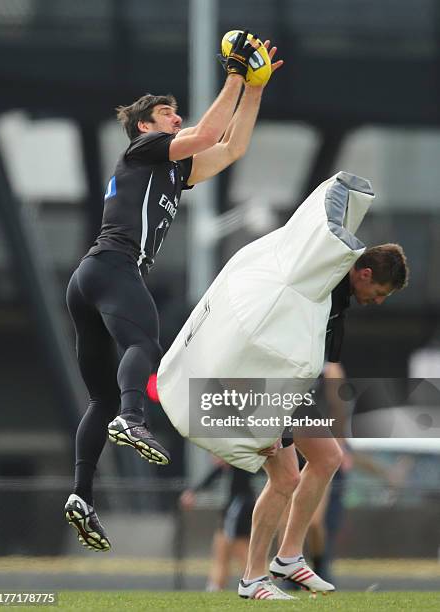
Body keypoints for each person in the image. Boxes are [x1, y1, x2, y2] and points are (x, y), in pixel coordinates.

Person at [64, 32, 284, 552]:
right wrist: (233, 73)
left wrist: (255, 86)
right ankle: (134, 418)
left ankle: (80, 493)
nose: (176, 119)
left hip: (90, 277)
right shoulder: (143, 149)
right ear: (144, 125)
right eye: (168, 113)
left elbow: (230, 148)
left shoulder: (168, 168)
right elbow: (210, 132)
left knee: (98, 397)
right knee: (146, 348)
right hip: (115, 267)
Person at [238, 244, 409, 600]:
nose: (377, 302)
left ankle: (288, 557)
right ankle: (253, 578)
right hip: (268, 382)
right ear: (364, 274)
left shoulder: (341, 298)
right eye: (379, 293)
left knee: (329, 457)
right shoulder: (323, 283)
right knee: (285, 478)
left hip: (292, 387)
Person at [179, 458, 256, 591]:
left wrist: (193, 492)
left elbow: (217, 470)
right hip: (235, 505)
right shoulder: (235, 459)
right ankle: (215, 586)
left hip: (240, 505)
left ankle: (254, 582)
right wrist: (193, 492)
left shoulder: (238, 455)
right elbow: (216, 471)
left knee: (240, 548)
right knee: (221, 548)